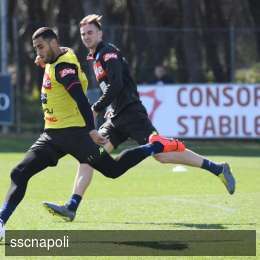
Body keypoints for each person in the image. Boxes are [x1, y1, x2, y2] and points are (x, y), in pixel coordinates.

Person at [42, 14, 235, 222]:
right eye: (83, 34)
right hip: (116, 117)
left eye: (90, 32)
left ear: (100, 33)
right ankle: (72, 206)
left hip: (133, 114)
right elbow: (110, 87)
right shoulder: (94, 57)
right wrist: (109, 108)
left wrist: (97, 107)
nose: (86, 36)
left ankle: (217, 169)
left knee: (162, 156)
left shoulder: (108, 54)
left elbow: (116, 85)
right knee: (89, 157)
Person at [0, 27, 186, 238]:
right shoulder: (60, 55)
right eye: (36, 49)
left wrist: (91, 130)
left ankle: (156, 145)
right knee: (19, 173)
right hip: (52, 137)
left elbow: (81, 100)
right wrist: (44, 59)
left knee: (113, 170)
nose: (38, 53)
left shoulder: (64, 69)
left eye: (40, 47)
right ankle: (1, 221)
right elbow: (61, 54)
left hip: (76, 137)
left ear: (53, 43)